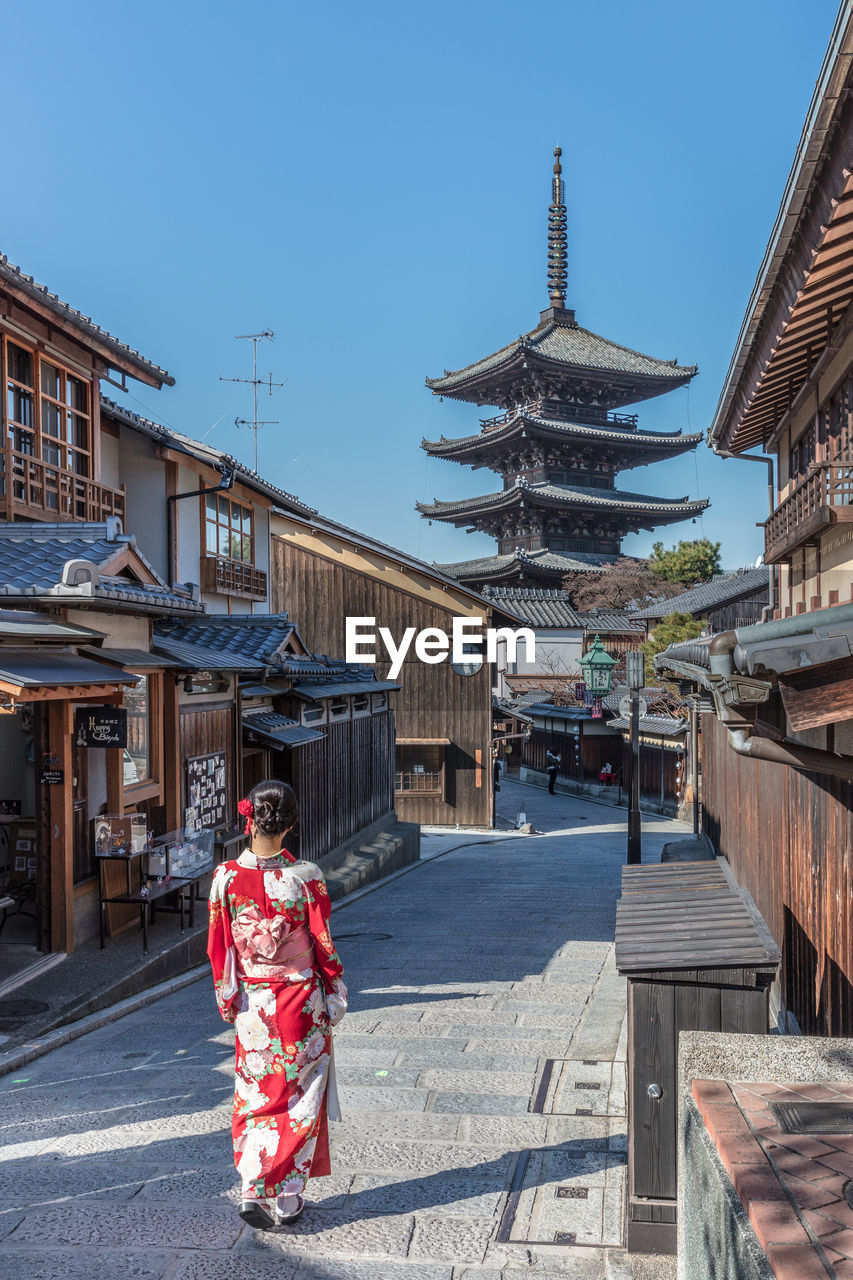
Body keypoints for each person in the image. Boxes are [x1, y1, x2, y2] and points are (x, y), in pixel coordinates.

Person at [207, 779, 347, 1231]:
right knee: (302, 1096)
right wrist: (335, 989)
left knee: (256, 1092)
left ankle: (253, 1185)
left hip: (254, 1003)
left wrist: (228, 999)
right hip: (301, 1002)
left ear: (249, 819)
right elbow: (323, 944)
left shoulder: (225, 878)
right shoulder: (306, 877)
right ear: (290, 825)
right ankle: (286, 1196)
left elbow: (220, 948)